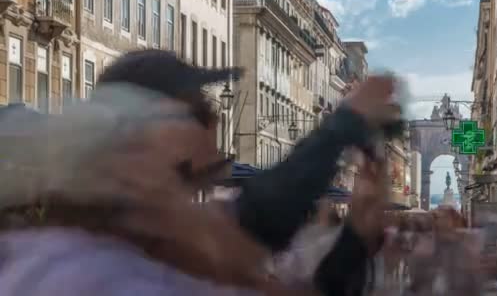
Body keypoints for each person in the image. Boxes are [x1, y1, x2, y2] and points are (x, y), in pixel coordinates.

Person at [0, 50, 398, 296]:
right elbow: (250, 227)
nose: (214, 119)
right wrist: (341, 126)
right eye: (199, 109)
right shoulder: (87, 271)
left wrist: (358, 233)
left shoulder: (149, 239)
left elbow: (251, 224)